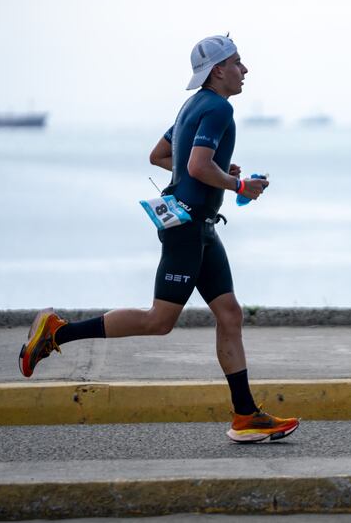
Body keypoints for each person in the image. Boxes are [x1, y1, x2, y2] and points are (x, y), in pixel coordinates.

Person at [18, 35, 299, 444]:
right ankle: (56, 331)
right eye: (238, 62)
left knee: (230, 313)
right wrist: (238, 184)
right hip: (187, 229)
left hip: (200, 226)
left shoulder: (192, 105)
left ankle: (245, 415)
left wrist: (215, 167)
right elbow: (198, 167)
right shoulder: (219, 107)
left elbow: (161, 156)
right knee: (158, 321)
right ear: (218, 70)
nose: (245, 69)